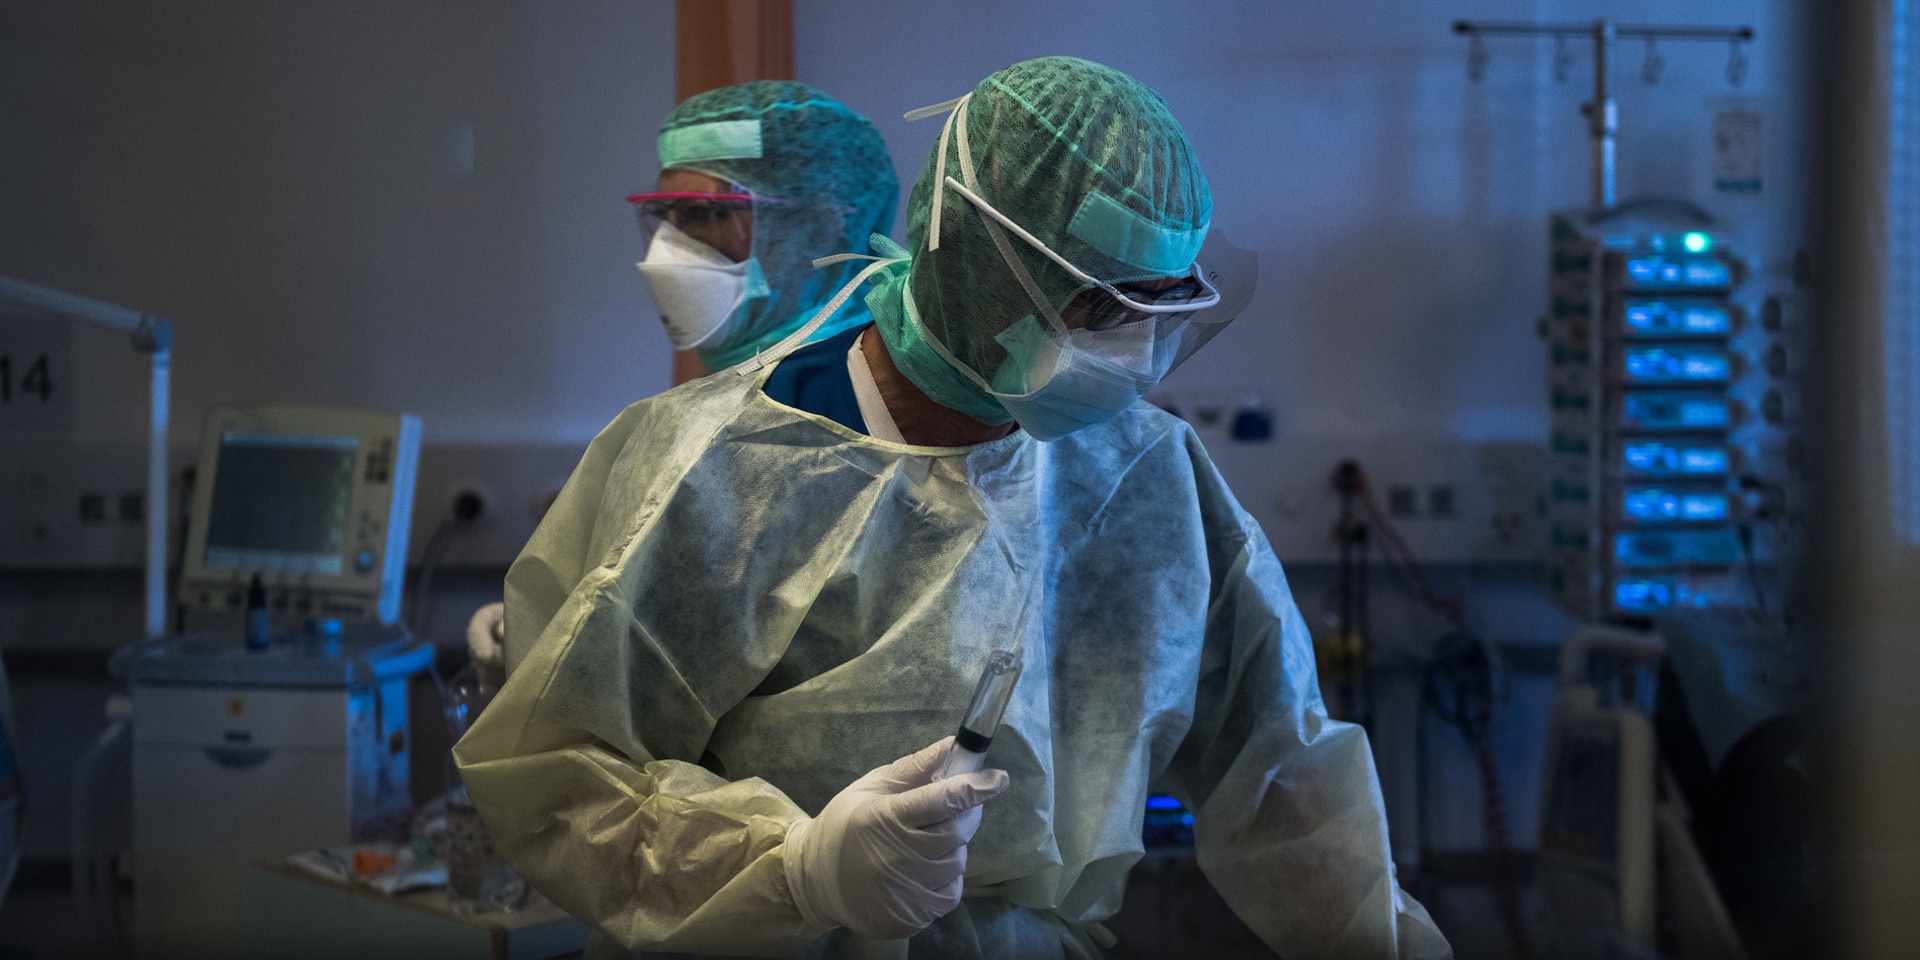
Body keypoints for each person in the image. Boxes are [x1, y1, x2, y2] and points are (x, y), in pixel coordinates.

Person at [456, 56, 1451, 959]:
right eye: (1098, 309)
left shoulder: (1144, 475)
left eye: (1156, 312)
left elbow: (1280, 777)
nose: (1133, 354)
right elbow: (557, 776)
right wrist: (799, 868)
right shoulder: (717, 467)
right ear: (975, 262)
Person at [630, 80, 897, 386]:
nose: (666, 251)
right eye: (661, 214)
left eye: (700, 214)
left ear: (818, 227)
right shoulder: (729, 390)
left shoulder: (877, 394)